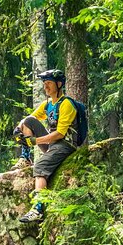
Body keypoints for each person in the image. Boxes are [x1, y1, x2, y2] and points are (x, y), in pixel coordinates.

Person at [15, 69, 79, 223]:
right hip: (53, 144)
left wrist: (36, 141)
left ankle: (38, 208)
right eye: (44, 84)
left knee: (40, 166)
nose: (46, 87)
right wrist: (18, 129)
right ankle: (25, 156)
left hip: (66, 144)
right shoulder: (48, 104)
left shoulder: (66, 104)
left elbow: (60, 134)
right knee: (28, 121)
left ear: (59, 84)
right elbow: (30, 119)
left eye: (49, 83)